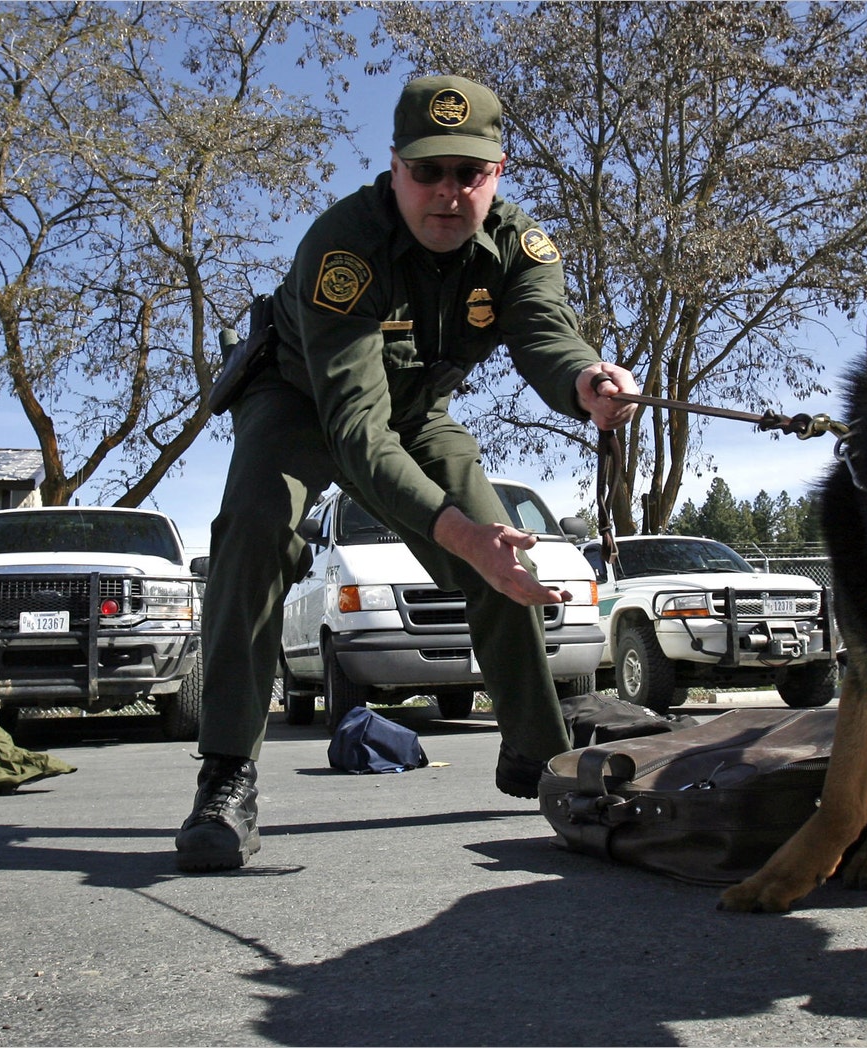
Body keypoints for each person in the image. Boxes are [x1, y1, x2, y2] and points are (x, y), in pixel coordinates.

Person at [177, 75, 639, 872]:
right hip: (299, 402)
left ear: (500, 171)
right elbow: (355, 428)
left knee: (506, 551)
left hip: (415, 410)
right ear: (394, 168)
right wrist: (457, 537)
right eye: (429, 172)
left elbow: (545, 335)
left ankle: (540, 760)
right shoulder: (341, 247)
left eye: (470, 172)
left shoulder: (521, 248)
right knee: (253, 532)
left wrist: (587, 382)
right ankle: (226, 777)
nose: (449, 193)